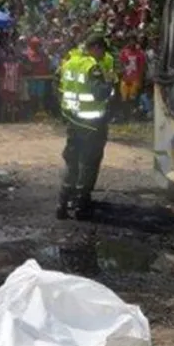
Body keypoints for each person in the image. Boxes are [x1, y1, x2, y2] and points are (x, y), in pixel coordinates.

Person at [57, 33, 116, 220]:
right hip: (92, 123)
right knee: (89, 163)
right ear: (95, 48)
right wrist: (110, 84)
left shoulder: (69, 62)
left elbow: (57, 87)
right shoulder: (92, 67)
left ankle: (63, 203)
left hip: (73, 120)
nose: (102, 56)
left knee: (72, 160)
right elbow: (99, 94)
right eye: (101, 51)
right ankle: (82, 205)